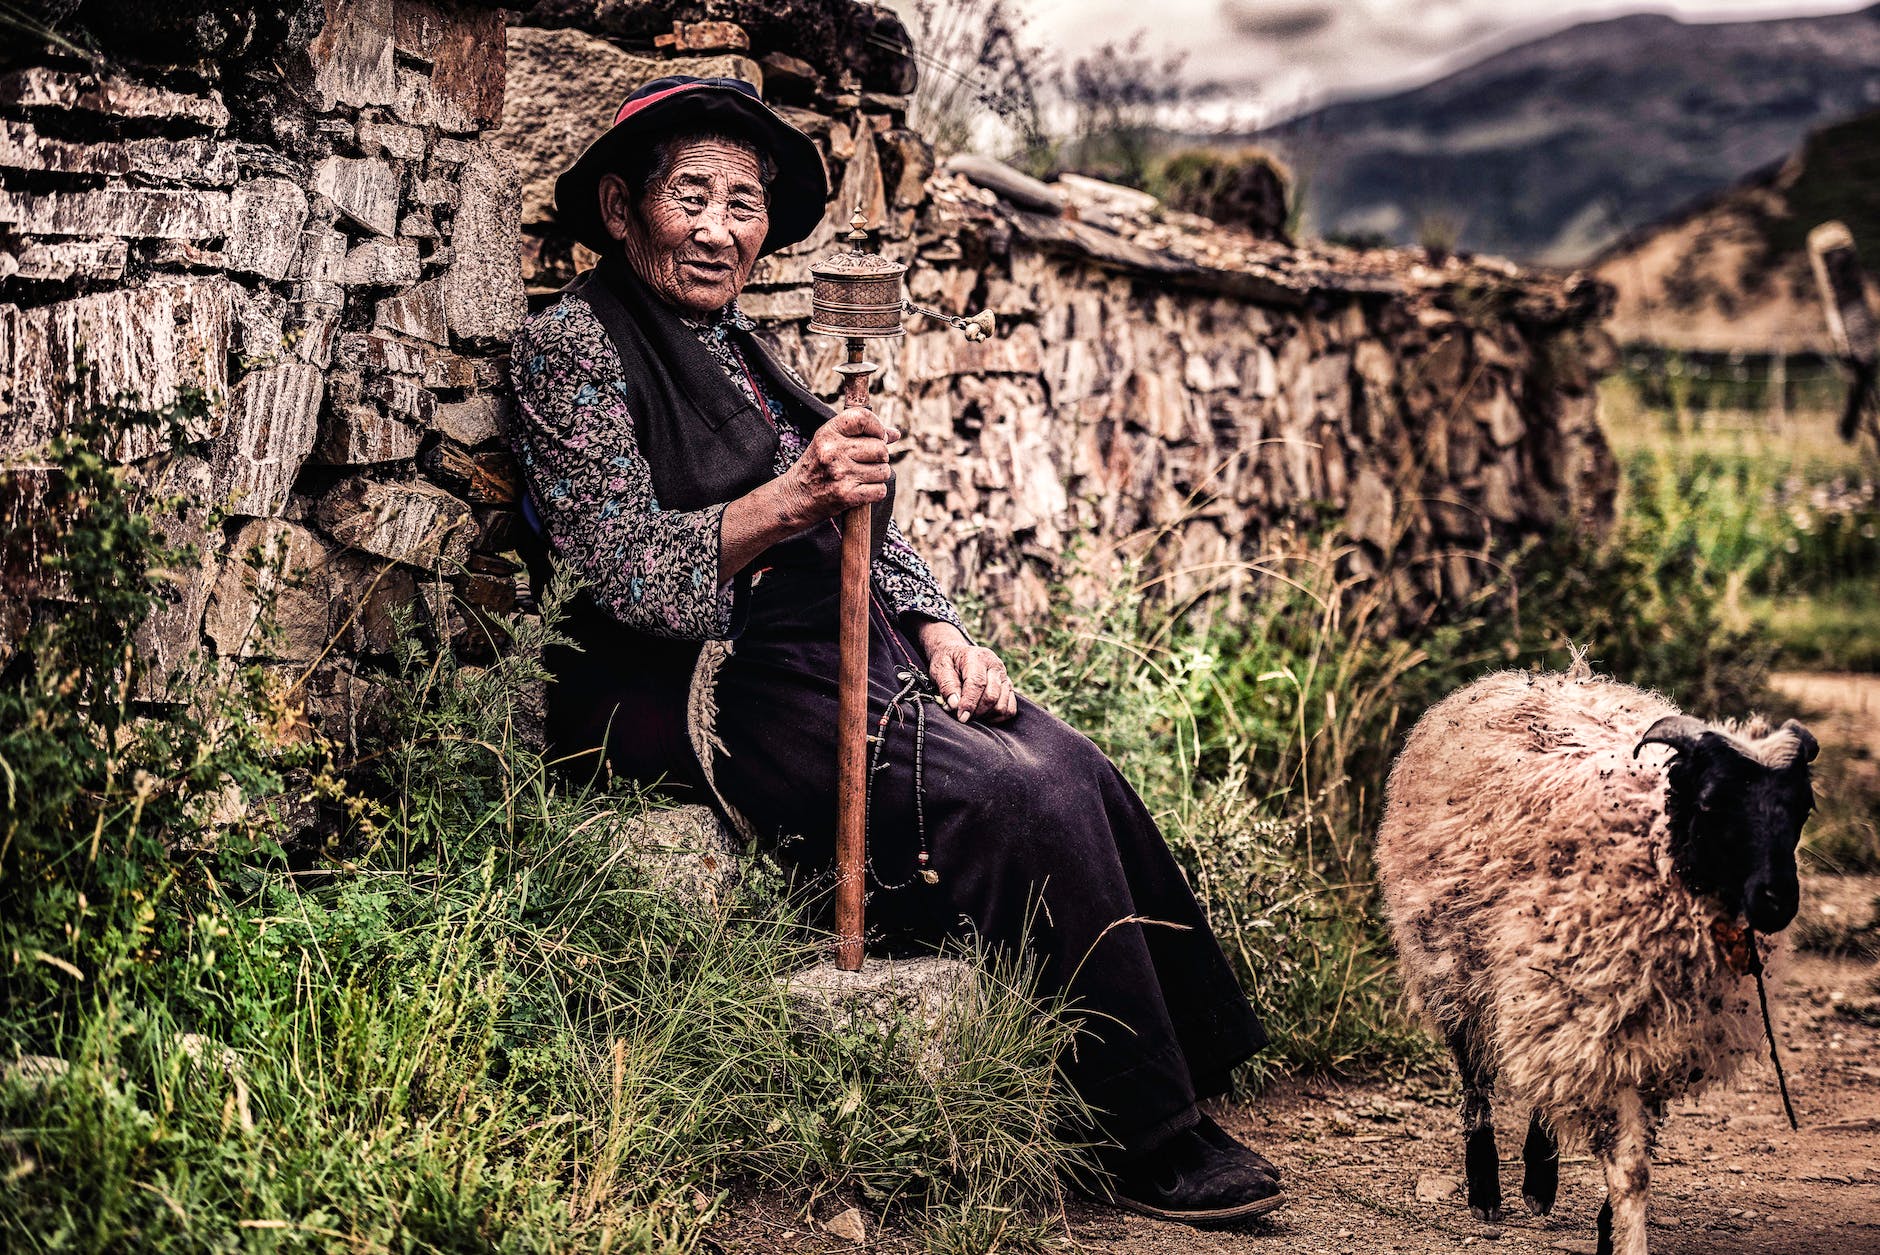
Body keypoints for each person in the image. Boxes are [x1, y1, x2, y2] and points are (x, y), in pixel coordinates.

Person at [510, 75, 1284, 1226]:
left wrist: (939, 627)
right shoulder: (571, 348)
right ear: (621, 209)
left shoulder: (742, 346)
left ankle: (1187, 1060)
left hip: (846, 648)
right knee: (1001, 801)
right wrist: (796, 494)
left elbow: (869, 522)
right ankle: (1148, 1136)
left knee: (1065, 763)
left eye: (744, 202)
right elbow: (617, 565)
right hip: (712, 683)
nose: (723, 229)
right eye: (692, 197)